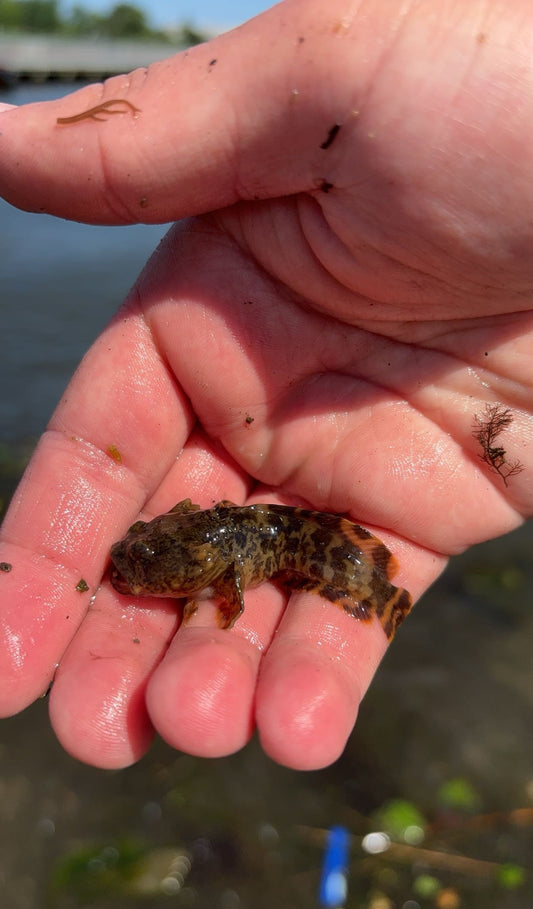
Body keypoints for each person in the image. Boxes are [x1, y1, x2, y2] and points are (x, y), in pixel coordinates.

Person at [0, 0, 531, 771]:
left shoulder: (215, 564)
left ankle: (368, 593)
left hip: (278, 539)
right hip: (263, 537)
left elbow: (213, 567)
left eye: (144, 562)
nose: (132, 564)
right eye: (143, 559)